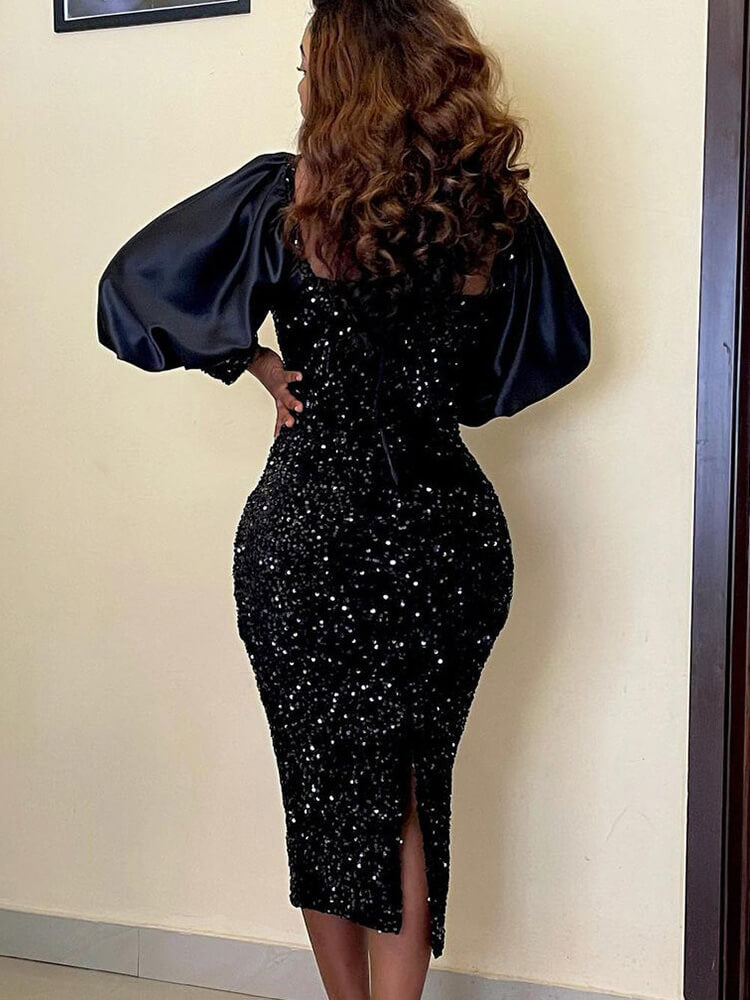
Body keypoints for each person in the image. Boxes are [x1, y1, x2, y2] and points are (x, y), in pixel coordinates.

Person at [96, 0, 591, 996]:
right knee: (408, 793)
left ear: (345, 75)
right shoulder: (487, 209)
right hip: (447, 539)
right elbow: (545, 353)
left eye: (308, 60)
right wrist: (422, 384)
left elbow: (132, 287)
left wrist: (254, 362)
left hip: (312, 535)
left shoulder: (291, 199)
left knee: (323, 792)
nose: (299, 78)